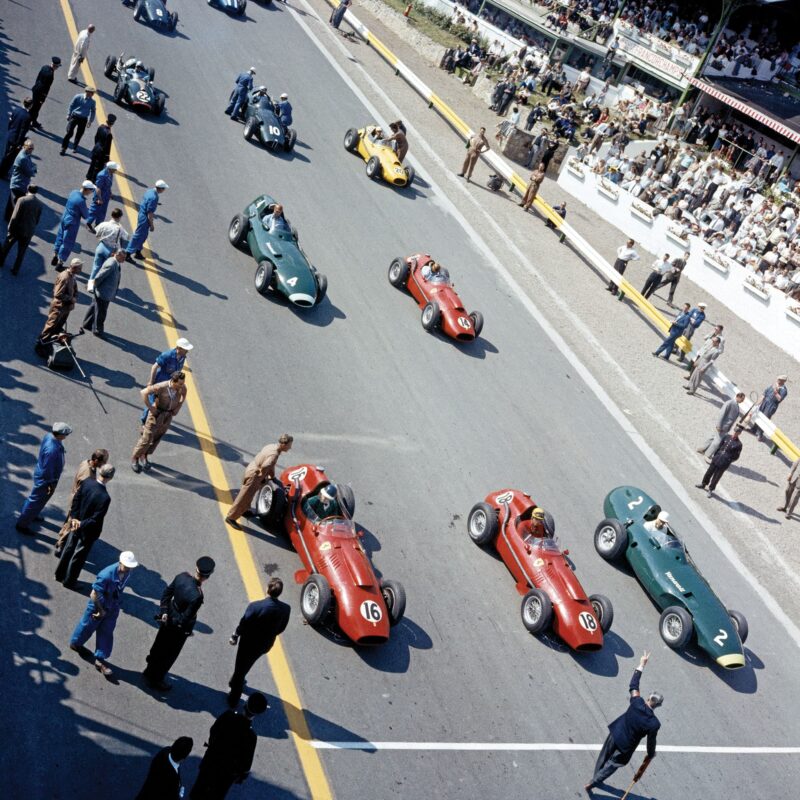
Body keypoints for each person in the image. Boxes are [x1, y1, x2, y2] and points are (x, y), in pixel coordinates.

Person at [585, 651, 661, 794]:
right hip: (626, 747)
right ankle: (593, 782)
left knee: (604, 756)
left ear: (649, 698)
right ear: (658, 706)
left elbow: (633, 685)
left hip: (616, 733)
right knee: (612, 764)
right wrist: (651, 754)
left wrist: (642, 664)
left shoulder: (637, 702)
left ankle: (595, 775)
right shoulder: (654, 724)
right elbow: (651, 743)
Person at [142, 556, 216, 691]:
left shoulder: (182, 576)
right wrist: (179, 626)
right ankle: (156, 680)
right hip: (178, 629)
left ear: (196, 568)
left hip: (169, 613)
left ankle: (148, 670)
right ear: (207, 576)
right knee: (169, 655)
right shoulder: (197, 596)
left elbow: (166, 595)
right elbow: (185, 618)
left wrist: (164, 612)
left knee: (158, 646)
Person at [69, 550, 137, 676]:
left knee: (107, 632)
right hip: (99, 605)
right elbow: (94, 594)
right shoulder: (106, 575)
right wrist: (100, 610)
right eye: (127, 566)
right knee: (87, 626)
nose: (129, 569)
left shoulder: (127, 572)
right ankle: (76, 644)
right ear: (120, 562)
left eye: (130, 567)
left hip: (113, 606)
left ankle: (100, 660)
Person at [226, 577, 291, 707]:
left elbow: (244, 623)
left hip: (248, 643)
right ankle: (235, 680)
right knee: (248, 663)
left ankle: (233, 698)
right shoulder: (286, 609)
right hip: (264, 645)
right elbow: (281, 628)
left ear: (267, 589)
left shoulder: (256, 606)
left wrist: (235, 635)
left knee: (240, 667)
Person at [190, 693, 268, 799]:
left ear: (246, 703)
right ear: (258, 713)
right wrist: (242, 775)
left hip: (211, 760)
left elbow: (213, 731)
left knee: (200, 786)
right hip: (226, 773)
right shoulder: (251, 736)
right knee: (217, 794)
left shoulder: (228, 716)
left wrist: (212, 744)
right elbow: (246, 762)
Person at [55, 464, 115, 588]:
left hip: (75, 524)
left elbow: (76, 500)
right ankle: (69, 581)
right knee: (78, 556)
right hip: (88, 531)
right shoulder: (105, 497)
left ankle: (59, 574)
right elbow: (96, 519)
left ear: (100, 471)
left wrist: (75, 519)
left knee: (68, 549)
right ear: (110, 478)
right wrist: (81, 524)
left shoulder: (87, 482)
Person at [16, 422, 72, 534]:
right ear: (60, 434)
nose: (66, 436)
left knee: (39, 500)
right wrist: (50, 483)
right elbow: (47, 470)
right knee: (35, 501)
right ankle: (22, 524)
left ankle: (33, 514)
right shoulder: (52, 450)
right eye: (65, 434)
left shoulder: (50, 436)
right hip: (46, 479)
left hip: (44, 475)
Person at [225, 434, 294, 526]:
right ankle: (231, 517)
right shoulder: (274, 454)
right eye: (289, 445)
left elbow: (271, 466)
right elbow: (266, 466)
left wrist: (272, 476)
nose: (290, 447)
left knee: (249, 494)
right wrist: (262, 476)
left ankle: (244, 510)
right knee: (244, 497)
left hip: (252, 467)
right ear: (284, 445)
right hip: (255, 475)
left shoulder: (271, 446)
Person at [55, 448, 109, 556]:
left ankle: (62, 537)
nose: (104, 464)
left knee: (69, 520)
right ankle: (61, 545)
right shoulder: (87, 475)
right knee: (72, 523)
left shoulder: (86, 463)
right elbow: (82, 492)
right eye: (104, 462)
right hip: (78, 501)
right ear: (96, 460)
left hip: (75, 497)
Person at [131, 371, 187, 472]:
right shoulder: (161, 386)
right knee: (147, 438)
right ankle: (135, 458)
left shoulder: (182, 388)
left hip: (168, 415)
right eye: (180, 383)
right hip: (156, 414)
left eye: (183, 383)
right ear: (173, 381)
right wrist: (150, 408)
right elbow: (143, 392)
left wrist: (178, 407)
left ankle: (144, 455)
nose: (182, 385)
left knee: (157, 437)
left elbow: (184, 395)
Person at [140, 338, 193, 422]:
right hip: (160, 382)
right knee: (153, 401)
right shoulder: (167, 355)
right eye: (185, 349)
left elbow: (178, 371)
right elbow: (154, 367)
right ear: (179, 348)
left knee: (164, 402)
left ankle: (158, 419)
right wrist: (151, 382)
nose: (187, 351)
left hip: (171, 384)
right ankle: (145, 419)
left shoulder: (182, 358)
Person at [36, 258, 82, 347]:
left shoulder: (72, 276)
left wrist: (75, 297)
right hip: (59, 307)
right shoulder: (64, 277)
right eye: (79, 268)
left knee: (59, 325)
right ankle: (41, 343)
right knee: (51, 325)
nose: (81, 270)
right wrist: (71, 299)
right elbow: (58, 294)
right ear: (74, 267)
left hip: (65, 307)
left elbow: (75, 288)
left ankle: (49, 342)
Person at [80, 248, 123, 337]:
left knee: (94, 308)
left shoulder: (115, 263)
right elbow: (100, 276)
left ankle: (87, 324)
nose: (124, 260)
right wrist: (91, 285)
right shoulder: (111, 264)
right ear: (117, 255)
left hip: (105, 292)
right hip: (103, 293)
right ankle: (97, 330)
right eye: (123, 257)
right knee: (101, 313)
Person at [0, 184, 42, 275]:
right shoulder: (39, 204)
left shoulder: (22, 200)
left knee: (7, 246)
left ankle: (1, 261)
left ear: (27, 189)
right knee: (21, 252)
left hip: (17, 229)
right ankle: (15, 269)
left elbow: (14, 216)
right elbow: (37, 220)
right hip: (28, 231)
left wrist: (10, 228)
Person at [51, 181, 94, 268]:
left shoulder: (74, 192)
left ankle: (55, 254)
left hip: (65, 217)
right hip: (72, 223)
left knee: (60, 236)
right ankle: (60, 262)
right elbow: (86, 216)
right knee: (68, 242)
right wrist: (88, 210)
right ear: (87, 190)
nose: (91, 192)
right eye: (91, 190)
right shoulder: (81, 201)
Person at [126, 180, 168, 260]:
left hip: (142, 214)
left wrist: (155, 203)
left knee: (143, 236)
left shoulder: (150, 191)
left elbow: (147, 201)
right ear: (160, 189)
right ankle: (127, 253)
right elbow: (150, 214)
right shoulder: (154, 198)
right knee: (138, 235)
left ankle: (138, 252)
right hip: (144, 218)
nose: (164, 190)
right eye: (164, 188)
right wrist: (152, 225)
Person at [696, 426, 743, 498]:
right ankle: (703, 484)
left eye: (737, 432)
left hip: (724, 462)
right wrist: (715, 455)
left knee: (716, 477)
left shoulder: (738, 444)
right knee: (709, 472)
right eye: (735, 431)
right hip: (717, 458)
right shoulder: (727, 437)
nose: (735, 433)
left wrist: (728, 460)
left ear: (739, 433)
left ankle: (710, 489)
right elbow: (719, 446)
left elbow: (736, 456)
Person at [699, 392, 744, 459]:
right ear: (738, 397)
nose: (742, 401)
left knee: (713, 437)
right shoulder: (729, 403)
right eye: (742, 399)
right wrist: (719, 425)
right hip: (722, 426)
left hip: (725, 427)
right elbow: (722, 414)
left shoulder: (736, 405)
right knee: (717, 441)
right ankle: (708, 455)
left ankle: (703, 448)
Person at [90, 207, 128, 285]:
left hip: (101, 246)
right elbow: (126, 237)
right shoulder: (119, 228)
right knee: (105, 270)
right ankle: (98, 285)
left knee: (95, 267)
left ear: (111, 215)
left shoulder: (104, 224)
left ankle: (90, 286)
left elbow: (96, 232)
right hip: (110, 251)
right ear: (119, 217)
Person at [5, 139, 37, 221]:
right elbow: (29, 172)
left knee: (12, 202)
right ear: (25, 147)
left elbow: (30, 165)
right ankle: (10, 219)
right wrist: (34, 170)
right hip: (19, 184)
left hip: (18, 182)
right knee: (14, 203)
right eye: (30, 148)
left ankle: (8, 217)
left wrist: (32, 168)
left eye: (32, 148)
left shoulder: (25, 154)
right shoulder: (23, 158)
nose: (32, 150)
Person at [0, 98, 33, 178]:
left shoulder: (16, 110)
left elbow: (10, 122)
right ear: (30, 106)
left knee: (6, 154)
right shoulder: (27, 117)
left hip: (10, 134)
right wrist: (19, 143)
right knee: (10, 157)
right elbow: (22, 131)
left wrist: (10, 131)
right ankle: (2, 173)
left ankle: (2, 171)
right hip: (16, 140)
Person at [60, 86, 96, 155]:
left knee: (79, 134)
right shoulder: (78, 96)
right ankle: (63, 148)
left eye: (92, 93)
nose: (92, 94)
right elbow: (71, 105)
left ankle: (74, 147)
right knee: (69, 132)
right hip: (75, 117)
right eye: (91, 93)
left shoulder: (92, 102)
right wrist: (68, 114)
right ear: (87, 92)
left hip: (83, 119)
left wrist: (90, 121)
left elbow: (93, 111)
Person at [29, 56, 62, 130]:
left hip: (36, 88)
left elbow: (38, 78)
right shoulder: (50, 75)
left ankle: (34, 121)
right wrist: (43, 98)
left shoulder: (44, 67)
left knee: (35, 107)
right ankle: (29, 122)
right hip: (40, 93)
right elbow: (46, 88)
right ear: (55, 66)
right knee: (35, 108)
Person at [753, 376, 788, 441]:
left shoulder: (784, 390)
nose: (778, 380)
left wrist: (776, 392)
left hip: (771, 405)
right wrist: (758, 403)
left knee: (765, 418)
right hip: (765, 401)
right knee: (759, 415)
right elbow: (764, 393)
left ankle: (760, 434)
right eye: (778, 379)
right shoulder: (773, 385)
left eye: (780, 379)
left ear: (784, 381)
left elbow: (779, 399)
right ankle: (754, 429)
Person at [86, 161, 118, 230]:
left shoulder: (110, 173)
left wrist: (110, 193)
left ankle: (98, 225)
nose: (116, 170)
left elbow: (108, 185)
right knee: (94, 210)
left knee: (102, 211)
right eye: (115, 169)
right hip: (99, 195)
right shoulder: (102, 175)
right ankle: (88, 223)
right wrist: (99, 199)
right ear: (110, 169)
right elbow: (98, 188)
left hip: (106, 195)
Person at [86, 115, 116, 183]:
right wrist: (107, 159)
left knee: (92, 164)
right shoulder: (109, 134)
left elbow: (96, 137)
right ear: (112, 124)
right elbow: (107, 148)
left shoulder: (101, 127)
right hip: (101, 153)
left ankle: (88, 177)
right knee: (98, 168)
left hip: (96, 148)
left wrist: (97, 145)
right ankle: (93, 181)